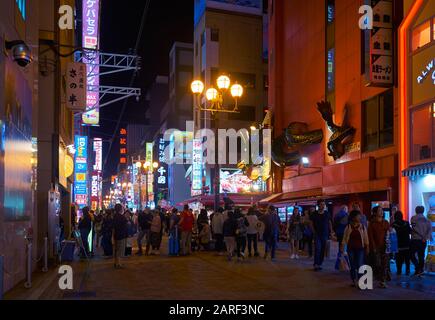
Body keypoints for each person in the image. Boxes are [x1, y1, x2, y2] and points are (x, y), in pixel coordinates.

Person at [341, 210, 369, 287]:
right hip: (350, 249)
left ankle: (361, 281)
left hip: (360, 249)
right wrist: (342, 247)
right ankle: (353, 280)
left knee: (360, 265)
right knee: (352, 265)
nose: (360, 217)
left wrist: (367, 247)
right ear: (353, 217)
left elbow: (366, 238)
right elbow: (344, 238)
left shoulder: (362, 226)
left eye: (360, 216)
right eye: (358, 215)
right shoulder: (348, 227)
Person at [368, 206, 390, 288]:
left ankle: (383, 281)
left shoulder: (385, 222)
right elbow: (370, 236)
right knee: (377, 264)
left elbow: (389, 233)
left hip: (385, 247)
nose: (381, 212)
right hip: (376, 247)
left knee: (384, 264)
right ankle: (378, 276)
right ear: (375, 213)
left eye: (382, 210)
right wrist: (373, 247)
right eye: (379, 210)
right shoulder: (372, 223)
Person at [311, 200, 334, 271]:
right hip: (317, 234)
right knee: (317, 248)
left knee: (323, 249)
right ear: (318, 205)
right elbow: (311, 223)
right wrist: (313, 231)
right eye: (321, 204)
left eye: (324, 204)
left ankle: (320, 263)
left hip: (325, 234)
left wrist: (331, 231)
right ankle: (316, 264)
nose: (323, 206)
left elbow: (329, 223)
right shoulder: (314, 214)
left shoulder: (327, 213)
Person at [410, 206, 432, 276]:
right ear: (423, 211)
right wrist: (425, 238)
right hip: (423, 240)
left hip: (415, 240)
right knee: (421, 256)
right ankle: (420, 269)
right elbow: (429, 231)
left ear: (416, 211)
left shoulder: (413, 218)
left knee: (411, 254)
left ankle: (417, 268)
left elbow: (413, 227)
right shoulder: (427, 220)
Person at [392, 210, 411, 276]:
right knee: (407, 259)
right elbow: (410, 232)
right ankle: (407, 270)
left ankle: (399, 271)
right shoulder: (406, 223)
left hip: (398, 244)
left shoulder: (393, 224)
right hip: (406, 243)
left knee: (398, 259)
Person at [112, 204, 128, 269]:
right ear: (120, 209)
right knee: (121, 250)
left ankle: (116, 262)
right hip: (122, 235)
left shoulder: (114, 216)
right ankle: (119, 264)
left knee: (116, 249)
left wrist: (113, 236)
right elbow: (125, 226)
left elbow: (113, 227)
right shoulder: (122, 217)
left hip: (116, 235)